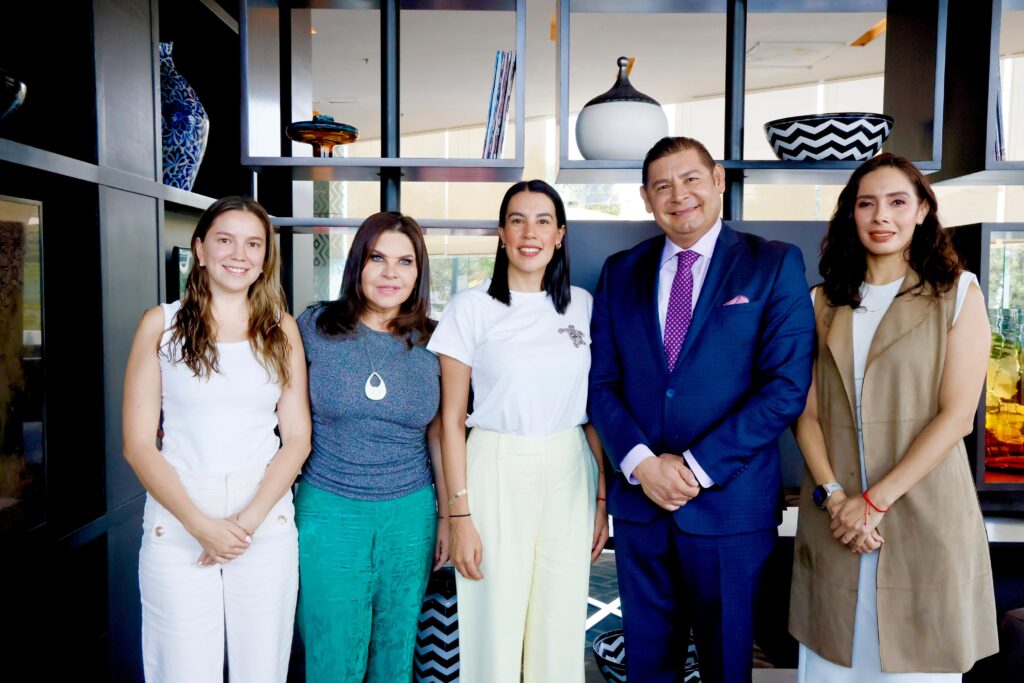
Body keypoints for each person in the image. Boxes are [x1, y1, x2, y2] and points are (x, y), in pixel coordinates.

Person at [588, 136, 816, 683]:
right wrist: (642, 464)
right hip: (641, 506)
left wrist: (694, 467)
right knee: (648, 667)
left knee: (727, 666)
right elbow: (601, 383)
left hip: (730, 504)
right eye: (662, 186)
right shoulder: (621, 271)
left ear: (717, 179)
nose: (679, 194)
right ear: (646, 199)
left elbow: (785, 387)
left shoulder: (773, 263)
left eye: (690, 179)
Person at [788, 153, 998, 680]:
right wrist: (837, 498)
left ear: (923, 210)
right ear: (851, 214)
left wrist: (873, 503)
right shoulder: (820, 302)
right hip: (836, 518)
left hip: (922, 512)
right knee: (833, 663)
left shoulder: (958, 294)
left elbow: (958, 417)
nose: (881, 215)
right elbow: (806, 414)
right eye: (867, 204)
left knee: (917, 666)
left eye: (898, 201)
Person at [122, 196, 311, 682]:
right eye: (225, 240)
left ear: (265, 258)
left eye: (253, 244)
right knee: (181, 671)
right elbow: (138, 445)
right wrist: (200, 525)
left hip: (263, 517)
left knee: (262, 671)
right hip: (179, 517)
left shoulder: (282, 330)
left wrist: (244, 524)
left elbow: (297, 438)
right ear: (200, 249)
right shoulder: (160, 325)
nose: (239, 254)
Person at [429, 179, 609, 683]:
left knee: (560, 623)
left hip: (570, 466)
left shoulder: (583, 305)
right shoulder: (471, 307)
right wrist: (459, 515)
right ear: (502, 234)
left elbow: (593, 411)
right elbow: (449, 421)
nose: (530, 233)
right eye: (517, 220)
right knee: (495, 621)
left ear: (560, 235)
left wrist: (600, 499)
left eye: (543, 221)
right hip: (494, 463)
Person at [294, 212, 448, 683]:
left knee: (395, 655)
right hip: (328, 510)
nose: (390, 273)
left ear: (418, 272)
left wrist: (448, 515)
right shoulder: (314, 326)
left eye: (405, 261)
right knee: (331, 655)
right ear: (357, 263)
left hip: (411, 514)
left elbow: (440, 434)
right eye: (377, 258)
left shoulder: (437, 339)